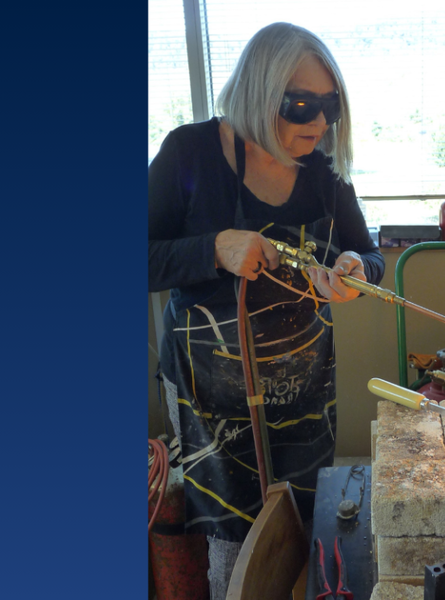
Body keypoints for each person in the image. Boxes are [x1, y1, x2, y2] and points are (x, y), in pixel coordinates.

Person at [148, 22, 385, 599]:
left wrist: (355, 267)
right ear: (258, 91)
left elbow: (371, 254)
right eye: (303, 106)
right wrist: (214, 249)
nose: (320, 124)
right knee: (235, 551)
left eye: (329, 106)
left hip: (305, 397)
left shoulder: (323, 170)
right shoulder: (191, 154)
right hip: (212, 409)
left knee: (307, 529)